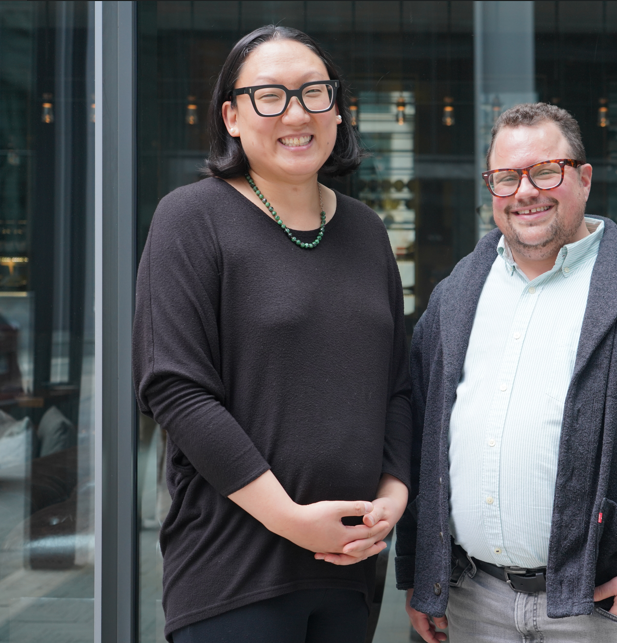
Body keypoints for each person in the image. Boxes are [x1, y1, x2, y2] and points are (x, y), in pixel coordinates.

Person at [396, 103, 617, 643]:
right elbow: (420, 439)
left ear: (584, 178)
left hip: (598, 611)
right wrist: (419, 571)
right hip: (470, 603)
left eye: (545, 171)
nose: (525, 191)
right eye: (506, 177)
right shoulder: (456, 296)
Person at [132, 25, 412, 643]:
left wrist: (393, 495)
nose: (296, 113)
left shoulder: (367, 231)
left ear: (337, 109)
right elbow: (176, 390)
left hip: (349, 568)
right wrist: (290, 519)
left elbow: (396, 385)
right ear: (231, 115)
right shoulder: (191, 217)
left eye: (315, 93)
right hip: (233, 571)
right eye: (270, 96)